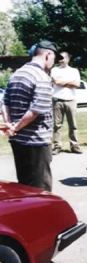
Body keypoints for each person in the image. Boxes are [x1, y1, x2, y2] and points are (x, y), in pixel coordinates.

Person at [1, 40, 62, 191]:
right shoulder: (41, 77)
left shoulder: (17, 73)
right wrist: (15, 126)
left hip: (17, 140)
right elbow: (36, 109)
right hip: (36, 142)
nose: (53, 63)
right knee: (40, 190)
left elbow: (4, 101)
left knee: (24, 185)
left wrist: (10, 124)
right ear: (48, 55)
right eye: (54, 58)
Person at [51, 51, 82, 155]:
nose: (61, 59)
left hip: (71, 100)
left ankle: (75, 146)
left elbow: (77, 84)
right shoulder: (54, 70)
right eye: (60, 57)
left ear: (68, 59)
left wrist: (62, 82)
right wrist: (69, 82)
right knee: (57, 125)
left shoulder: (74, 71)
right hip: (57, 100)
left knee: (73, 125)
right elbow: (56, 82)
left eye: (63, 57)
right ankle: (57, 146)